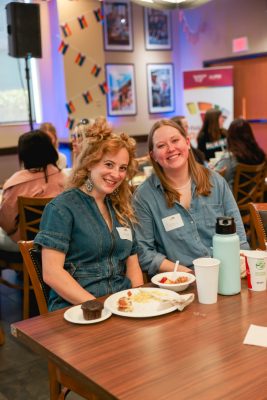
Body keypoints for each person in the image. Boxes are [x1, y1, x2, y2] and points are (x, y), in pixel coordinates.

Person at [34, 117, 144, 311]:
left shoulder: (120, 206)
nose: (116, 174)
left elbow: (132, 264)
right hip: (78, 309)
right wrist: (99, 307)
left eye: (122, 168)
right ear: (90, 163)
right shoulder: (62, 208)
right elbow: (52, 273)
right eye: (108, 164)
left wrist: (137, 302)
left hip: (120, 303)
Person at [133, 119, 249, 277]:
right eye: (161, 145)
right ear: (153, 155)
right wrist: (187, 274)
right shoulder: (144, 196)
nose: (171, 148)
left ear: (187, 142)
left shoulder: (215, 181)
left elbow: (239, 237)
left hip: (227, 273)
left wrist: (241, 260)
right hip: (181, 283)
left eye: (175, 140)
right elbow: (145, 253)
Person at [0, 130, 65, 252]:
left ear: (24, 154)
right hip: (62, 242)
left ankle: (22, 268)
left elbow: (6, 223)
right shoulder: (65, 178)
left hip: (28, 244)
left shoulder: (15, 183)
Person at [214, 118, 266, 190]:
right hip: (255, 199)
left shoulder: (230, 158)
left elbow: (215, 179)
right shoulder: (261, 155)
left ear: (230, 136)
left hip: (232, 200)